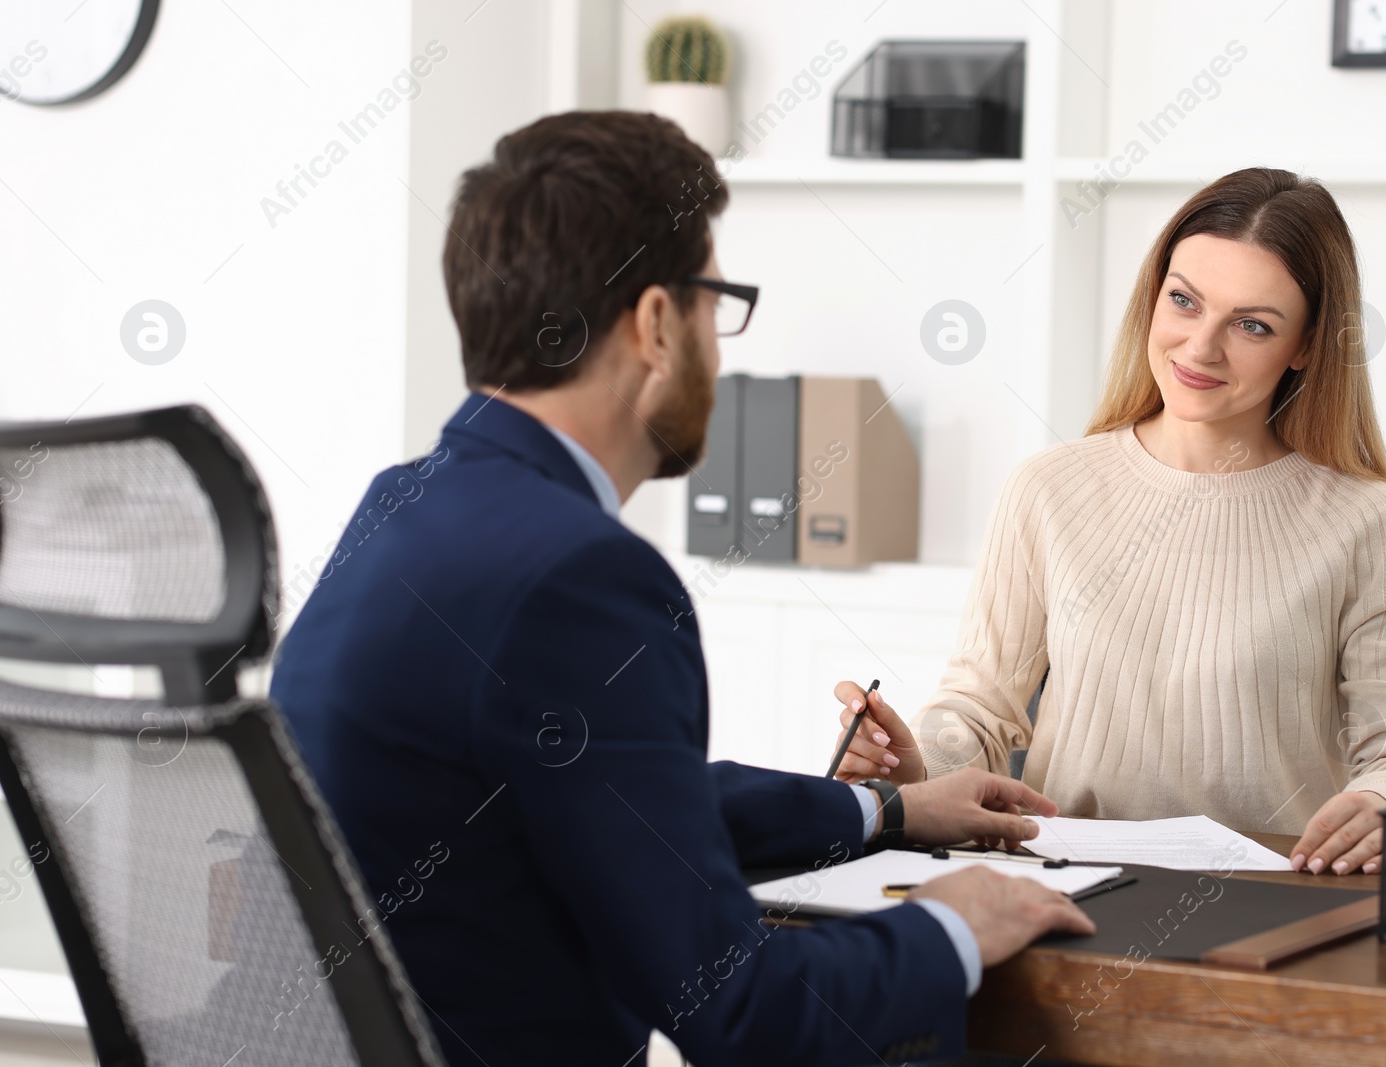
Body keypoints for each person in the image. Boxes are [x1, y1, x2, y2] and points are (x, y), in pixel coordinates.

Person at [269, 110, 1093, 1067]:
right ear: (658, 322)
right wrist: (951, 924)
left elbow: (604, 798)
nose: (719, 338)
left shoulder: (404, 504)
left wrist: (889, 812)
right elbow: (739, 1015)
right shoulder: (583, 577)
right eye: (714, 302)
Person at [831, 167, 1386, 879]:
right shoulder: (1048, 489)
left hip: (1272, 895)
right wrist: (913, 763)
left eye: (1252, 324)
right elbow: (980, 706)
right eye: (1184, 301)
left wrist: (1384, 800)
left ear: (1308, 345)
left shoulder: (1373, 523)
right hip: (1063, 885)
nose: (1201, 347)